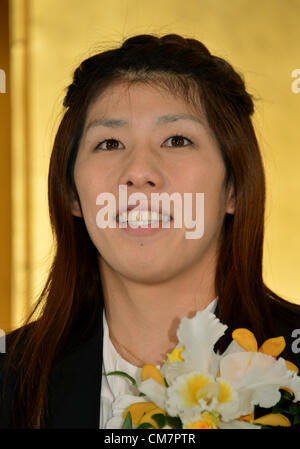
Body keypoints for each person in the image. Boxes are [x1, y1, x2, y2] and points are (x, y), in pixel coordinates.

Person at [0, 33, 300, 429]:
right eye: (109, 143)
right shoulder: (9, 379)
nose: (139, 173)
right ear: (72, 193)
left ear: (234, 188)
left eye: (177, 140)